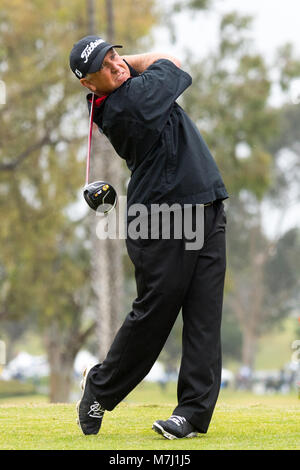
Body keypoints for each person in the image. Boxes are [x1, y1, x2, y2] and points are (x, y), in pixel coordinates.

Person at [69, 35, 228, 439]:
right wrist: (133, 65)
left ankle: (191, 413)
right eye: (104, 67)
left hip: (205, 202)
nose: (116, 66)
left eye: (115, 55)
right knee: (156, 314)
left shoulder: (127, 87)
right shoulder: (129, 104)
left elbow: (159, 65)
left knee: (205, 316)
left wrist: (120, 63)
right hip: (163, 217)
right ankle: (99, 388)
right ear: (89, 85)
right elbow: (169, 60)